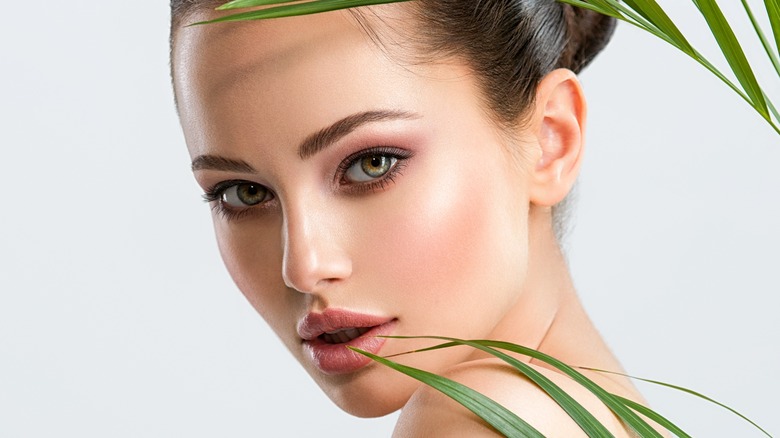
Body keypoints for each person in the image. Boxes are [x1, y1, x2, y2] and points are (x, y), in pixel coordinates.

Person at [170, 1, 658, 436]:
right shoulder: (601, 411)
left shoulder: (473, 422)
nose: (303, 265)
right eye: (244, 193)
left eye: (372, 163)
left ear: (550, 140)